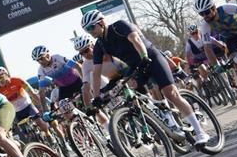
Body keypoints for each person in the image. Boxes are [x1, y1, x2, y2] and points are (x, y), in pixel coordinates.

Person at [80, 9, 210, 145]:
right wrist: (96, 98)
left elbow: (135, 39)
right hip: (134, 65)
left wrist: (144, 56)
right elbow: (95, 73)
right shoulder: (100, 45)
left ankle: (200, 132)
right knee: (129, 89)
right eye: (87, 30)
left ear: (101, 22)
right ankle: (162, 116)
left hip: (150, 57)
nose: (90, 32)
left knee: (170, 93)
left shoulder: (119, 26)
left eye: (91, 27)